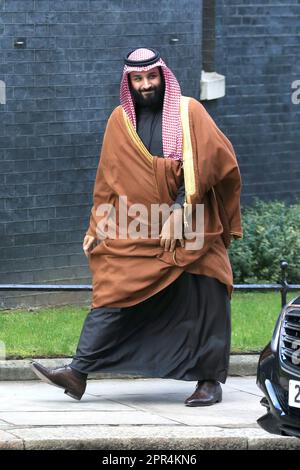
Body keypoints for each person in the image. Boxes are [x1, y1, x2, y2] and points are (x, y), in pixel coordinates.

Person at [31, 47, 243, 407]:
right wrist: (96, 224)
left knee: (208, 287)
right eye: (138, 79)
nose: (146, 85)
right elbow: (107, 181)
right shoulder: (119, 120)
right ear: (129, 82)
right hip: (138, 227)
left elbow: (215, 160)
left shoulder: (188, 111)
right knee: (114, 288)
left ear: (163, 76)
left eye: (152, 77)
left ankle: (209, 381)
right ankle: (77, 373)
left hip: (191, 225)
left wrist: (181, 208)